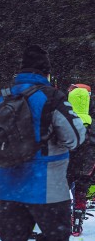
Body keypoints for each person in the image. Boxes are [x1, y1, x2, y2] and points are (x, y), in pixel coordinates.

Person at [0, 45, 86, 241]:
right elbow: (75, 137)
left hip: (8, 191)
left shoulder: (1, 97)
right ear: (47, 72)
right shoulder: (51, 97)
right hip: (48, 190)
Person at [66, 84, 95, 236]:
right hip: (86, 164)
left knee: (63, 189)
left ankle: (61, 217)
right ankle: (77, 220)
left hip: (68, 163)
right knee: (81, 190)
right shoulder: (92, 123)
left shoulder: (66, 123)